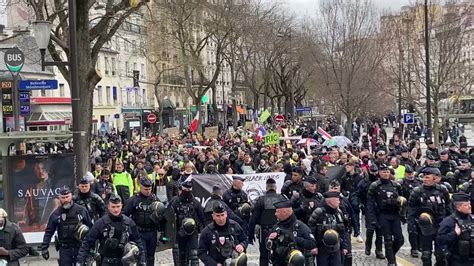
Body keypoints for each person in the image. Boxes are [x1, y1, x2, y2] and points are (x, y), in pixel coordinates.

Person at [76, 194, 147, 266]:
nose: (116, 210)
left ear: (121, 206)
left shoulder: (129, 222)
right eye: (113, 207)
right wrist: (80, 260)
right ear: (108, 207)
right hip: (106, 261)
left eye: (118, 206)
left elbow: (138, 242)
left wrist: (142, 260)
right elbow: (87, 242)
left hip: (123, 261)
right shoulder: (101, 223)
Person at [408, 167, 451, 266]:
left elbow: (449, 208)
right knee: (426, 255)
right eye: (424, 177)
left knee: (442, 255)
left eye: (428, 177)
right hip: (425, 226)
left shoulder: (443, 190)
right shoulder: (417, 191)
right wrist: (412, 227)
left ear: (435, 178)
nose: (425, 179)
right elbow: (411, 211)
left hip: (441, 225)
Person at [41, 187, 92, 265]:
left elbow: (91, 229)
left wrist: (92, 248)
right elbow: (49, 232)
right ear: (59, 198)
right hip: (65, 249)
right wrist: (44, 248)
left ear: (71, 196)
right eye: (63, 198)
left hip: (80, 248)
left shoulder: (81, 210)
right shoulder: (56, 214)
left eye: (67, 197)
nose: (65, 200)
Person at [367, 164, 404, 266]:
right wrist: (372, 218)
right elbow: (370, 203)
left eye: (387, 172)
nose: (386, 174)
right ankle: (391, 262)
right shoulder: (375, 186)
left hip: (395, 215)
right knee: (387, 240)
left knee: (399, 239)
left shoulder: (396, 185)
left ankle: (390, 254)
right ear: (379, 173)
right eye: (384, 172)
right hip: (383, 215)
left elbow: (402, 200)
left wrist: (403, 214)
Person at [123, 177, 165, 266]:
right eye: (146, 189)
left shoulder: (155, 200)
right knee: (142, 256)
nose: (148, 191)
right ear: (140, 187)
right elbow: (124, 216)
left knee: (151, 257)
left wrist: (163, 233)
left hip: (152, 232)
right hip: (139, 232)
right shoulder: (133, 200)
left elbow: (163, 217)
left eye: (150, 189)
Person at [247, 178, 286, 266]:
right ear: (275, 187)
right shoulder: (281, 198)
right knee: (279, 255)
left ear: (266, 187)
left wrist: (250, 236)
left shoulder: (261, 200)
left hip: (265, 231)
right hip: (280, 231)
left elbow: (253, 219)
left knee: (264, 256)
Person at [266, 199, 316, 266]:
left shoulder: (300, 226)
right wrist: (270, 239)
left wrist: (295, 239)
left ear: (284, 212)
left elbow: (312, 243)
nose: (275, 214)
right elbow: (268, 244)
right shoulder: (276, 227)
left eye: (277, 212)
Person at [308, 191, 350, 266]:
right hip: (322, 247)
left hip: (336, 247)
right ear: (331, 201)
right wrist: (313, 246)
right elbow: (311, 230)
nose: (339, 202)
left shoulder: (339, 213)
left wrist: (344, 246)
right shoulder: (318, 212)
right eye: (337, 200)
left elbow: (343, 231)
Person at [352, 164, 385, 259]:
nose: (374, 174)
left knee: (380, 230)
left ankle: (379, 250)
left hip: (380, 208)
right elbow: (356, 194)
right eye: (372, 172)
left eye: (375, 172)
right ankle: (368, 245)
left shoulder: (381, 182)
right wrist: (357, 203)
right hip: (368, 207)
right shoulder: (363, 182)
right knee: (370, 229)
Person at [169, 180, 205, 265]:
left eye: (189, 189)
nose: (187, 191)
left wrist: (203, 231)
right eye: (185, 189)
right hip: (179, 232)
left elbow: (202, 217)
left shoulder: (195, 202)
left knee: (194, 255)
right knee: (180, 256)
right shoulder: (175, 202)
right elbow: (168, 217)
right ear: (181, 189)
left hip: (193, 232)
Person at [436, 192, 474, 265]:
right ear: (458, 207)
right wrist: (455, 233)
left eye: (469, 204)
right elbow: (440, 240)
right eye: (466, 205)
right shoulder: (449, 221)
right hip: (457, 261)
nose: (470, 206)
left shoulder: (472, 219)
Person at [399, 165, 422, 257]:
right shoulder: (401, 183)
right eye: (408, 174)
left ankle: (419, 245)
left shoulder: (419, 183)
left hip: (420, 209)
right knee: (412, 230)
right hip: (409, 209)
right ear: (405, 174)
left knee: (421, 229)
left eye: (411, 173)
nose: (410, 175)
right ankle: (414, 248)